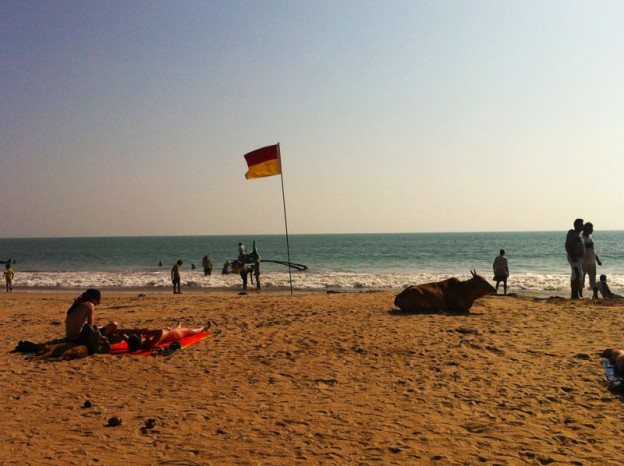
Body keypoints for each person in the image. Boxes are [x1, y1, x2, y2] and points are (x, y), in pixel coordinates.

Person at [118, 323, 211, 352]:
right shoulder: (150, 343)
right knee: (191, 331)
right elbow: (159, 332)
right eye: (139, 336)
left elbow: (120, 333)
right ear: (140, 341)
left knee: (179, 327)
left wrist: (136, 331)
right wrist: (145, 332)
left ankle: (179, 325)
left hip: (168, 330)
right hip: (173, 334)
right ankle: (203, 328)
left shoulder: (133, 342)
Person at [565, 218, 585, 299]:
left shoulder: (580, 234)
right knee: (577, 275)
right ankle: (574, 294)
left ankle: (574, 294)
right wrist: (572, 256)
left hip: (579, 258)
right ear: (576, 225)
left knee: (577, 275)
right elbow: (567, 245)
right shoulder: (572, 233)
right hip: (574, 257)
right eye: (581, 224)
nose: (583, 226)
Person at [581, 222, 602, 293]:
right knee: (581, 279)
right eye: (591, 228)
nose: (592, 230)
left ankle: (595, 294)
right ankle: (579, 294)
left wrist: (598, 260)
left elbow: (593, 249)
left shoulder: (590, 237)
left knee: (593, 279)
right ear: (586, 228)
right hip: (583, 262)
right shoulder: (581, 237)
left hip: (592, 262)